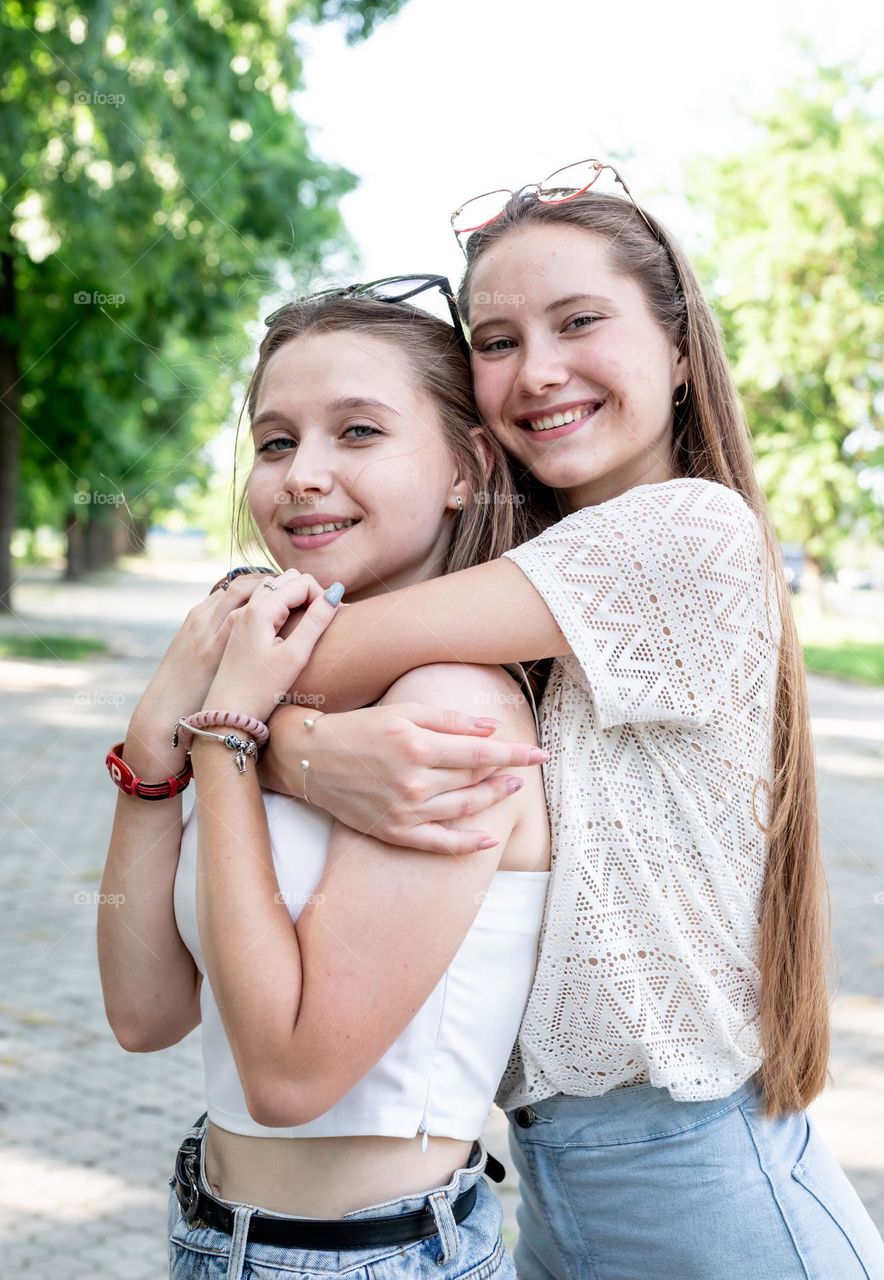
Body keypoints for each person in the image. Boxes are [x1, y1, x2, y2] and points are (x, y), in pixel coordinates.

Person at [254, 167, 884, 1279]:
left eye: (579, 321)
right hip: (554, 1185)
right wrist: (296, 738)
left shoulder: (685, 532)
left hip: (708, 1200)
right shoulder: (521, 578)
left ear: (679, 349)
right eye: (493, 340)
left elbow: (295, 656)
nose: (537, 370)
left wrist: (289, 747)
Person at [96, 283, 553, 1280]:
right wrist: (153, 738)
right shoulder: (278, 676)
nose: (303, 475)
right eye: (273, 441)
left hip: (366, 1257)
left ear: (465, 469)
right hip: (217, 1232)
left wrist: (223, 734)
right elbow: (144, 1013)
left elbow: (288, 1073)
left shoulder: (449, 706)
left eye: (356, 431)